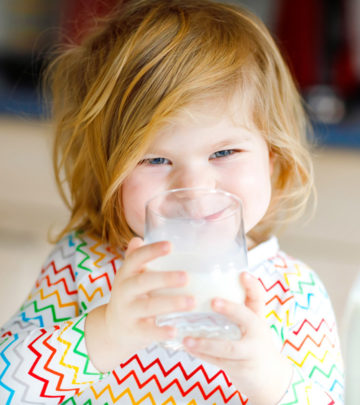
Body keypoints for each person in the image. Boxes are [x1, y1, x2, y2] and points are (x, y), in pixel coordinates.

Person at [0, 0, 344, 403]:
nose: (195, 185)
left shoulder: (295, 294)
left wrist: (267, 378)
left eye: (224, 153)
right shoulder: (83, 263)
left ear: (273, 158)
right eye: (155, 159)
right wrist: (102, 335)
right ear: (108, 172)